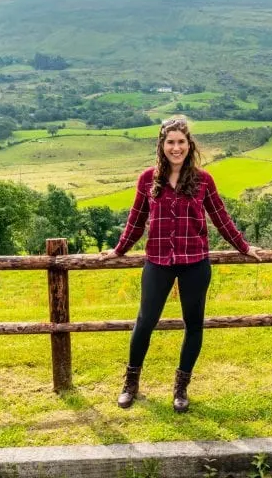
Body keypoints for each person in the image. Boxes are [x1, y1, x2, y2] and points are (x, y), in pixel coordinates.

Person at [100, 117, 262, 413]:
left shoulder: (203, 180)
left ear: (190, 145)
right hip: (158, 261)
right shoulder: (148, 179)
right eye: (170, 142)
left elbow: (221, 218)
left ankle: (180, 388)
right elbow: (136, 221)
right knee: (144, 322)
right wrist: (119, 249)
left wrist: (244, 247)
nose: (176, 148)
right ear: (161, 145)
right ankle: (130, 384)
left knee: (193, 325)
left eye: (181, 142)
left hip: (195, 263)